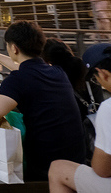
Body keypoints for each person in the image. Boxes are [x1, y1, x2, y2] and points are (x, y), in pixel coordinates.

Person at [0, 21, 85, 181]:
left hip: (46, 165)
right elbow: (24, 68)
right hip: (77, 158)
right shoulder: (57, 72)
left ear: (14, 48)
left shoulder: (17, 80)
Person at [48, 43, 111, 192]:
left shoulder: (108, 108)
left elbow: (102, 170)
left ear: (102, 74)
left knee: (58, 169)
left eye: (96, 79)